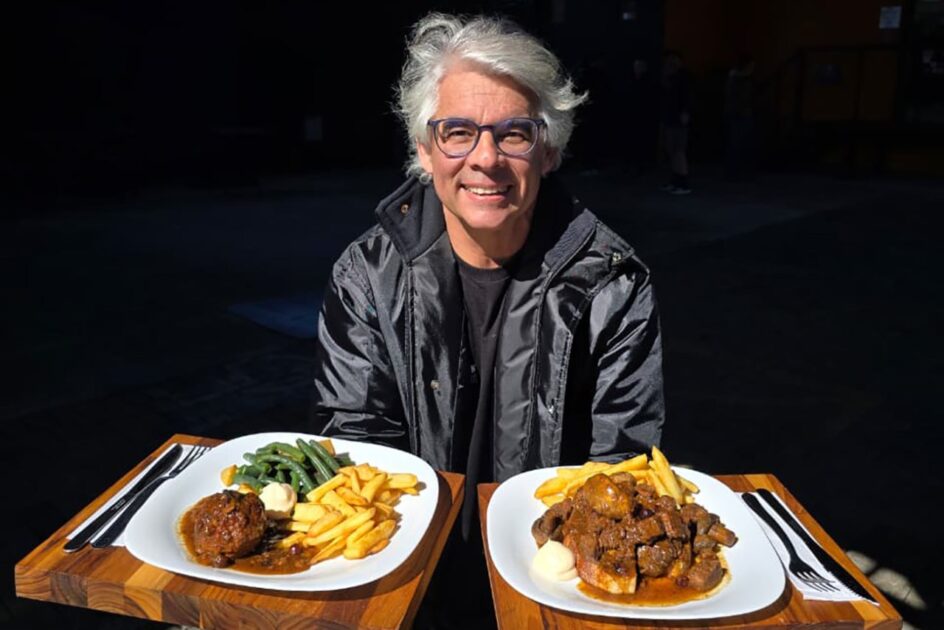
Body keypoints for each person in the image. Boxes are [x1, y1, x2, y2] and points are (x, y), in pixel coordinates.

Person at [310, 12, 665, 628]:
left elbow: (625, 464)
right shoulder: (366, 275)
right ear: (424, 150)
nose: (486, 158)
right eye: (458, 132)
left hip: (553, 586)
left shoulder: (614, 285)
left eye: (514, 133)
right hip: (408, 578)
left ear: (548, 151)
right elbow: (356, 448)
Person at [659, 50, 692, 194]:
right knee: (672, 150)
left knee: (678, 150)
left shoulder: (682, 77)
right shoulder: (669, 77)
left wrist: (685, 112)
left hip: (677, 118)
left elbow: (687, 96)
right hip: (670, 117)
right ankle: (676, 180)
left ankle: (682, 183)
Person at [724, 53, 756, 180]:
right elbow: (738, 98)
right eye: (751, 66)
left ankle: (736, 171)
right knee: (737, 144)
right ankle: (734, 172)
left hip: (741, 114)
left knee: (739, 143)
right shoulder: (738, 80)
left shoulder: (740, 79)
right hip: (739, 114)